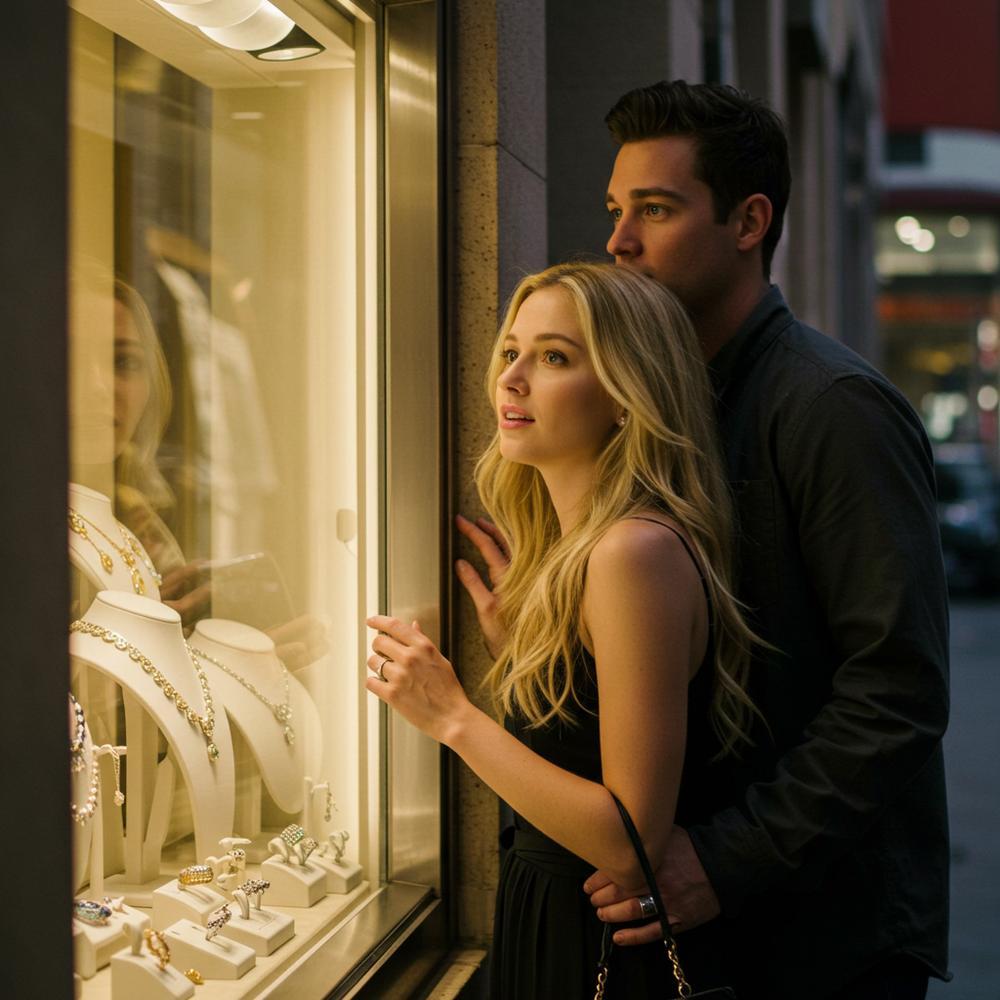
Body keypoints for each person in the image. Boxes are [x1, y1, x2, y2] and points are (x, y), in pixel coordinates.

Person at [575, 81, 950, 1000]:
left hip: (823, 939)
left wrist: (725, 860)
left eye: (655, 211)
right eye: (616, 210)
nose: (619, 240)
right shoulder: (657, 406)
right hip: (703, 925)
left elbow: (897, 690)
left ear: (749, 222)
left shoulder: (831, 409)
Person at [366, 261, 758, 997]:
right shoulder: (587, 552)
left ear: (625, 395)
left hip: (597, 949)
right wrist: (527, 655)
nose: (511, 378)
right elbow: (589, 746)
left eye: (554, 358)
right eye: (511, 351)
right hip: (556, 922)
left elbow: (630, 841)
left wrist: (452, 716)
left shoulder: (631, 552)